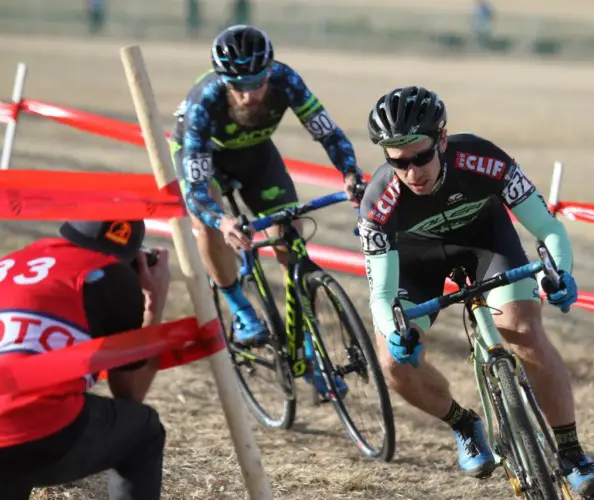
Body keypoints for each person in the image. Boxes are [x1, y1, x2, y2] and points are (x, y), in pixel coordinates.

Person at [357, 86, 594, 497]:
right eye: (398, 162)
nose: (412, 172)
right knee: (393, 364)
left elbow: (548, 229)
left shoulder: (483, 159)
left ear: (442, 139)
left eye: (421, 157)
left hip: (486, 243)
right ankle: (463, 423)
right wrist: (394, 330)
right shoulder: (379, 201)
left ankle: (571, 451)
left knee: (524, 332)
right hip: (416, 262)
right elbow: (381, 295)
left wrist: (559, 273)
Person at [169, 24, 360, 395]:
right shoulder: (204, 102)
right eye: (238, 86)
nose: (250, 94)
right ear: (223, 81)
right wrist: (221, 219)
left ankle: (306, 345)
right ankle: (238, 306)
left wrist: (350, 173)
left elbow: (328, 132)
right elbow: (195, 188)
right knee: (208, 226)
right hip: (205, 160)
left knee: (291, 238)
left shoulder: (286, 81)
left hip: (256, 156)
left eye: (258, 82)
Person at [0, 220, 171, 500]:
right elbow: (131, 393)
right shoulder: (112, 276)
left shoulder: (11, 262)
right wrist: (155, 301)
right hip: (33, 432)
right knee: (143, 432)